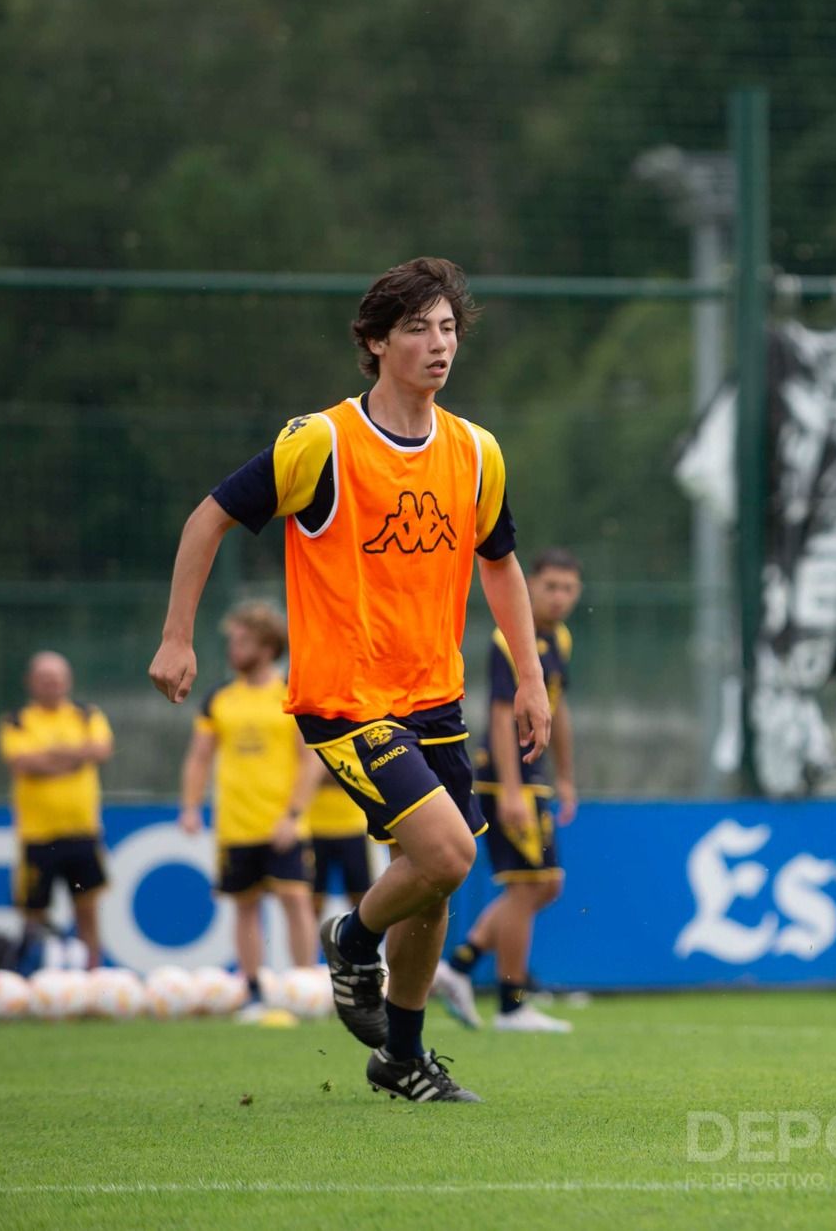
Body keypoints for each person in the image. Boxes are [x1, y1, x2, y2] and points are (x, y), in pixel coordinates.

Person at [149, 257, 550, 1104]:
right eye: (417, 329)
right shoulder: (322, 442)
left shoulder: (476, 451)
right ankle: (349, 938)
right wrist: (178, 637)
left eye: (447, 328)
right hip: (345, 698)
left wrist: (532, 679)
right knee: (449, 851)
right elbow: (209, 516)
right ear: (374, 343)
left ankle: (400, 1057)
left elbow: (503, 567)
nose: (439, 344)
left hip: (432, 694)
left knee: (434, 882)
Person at [433, 548, 584, 1033]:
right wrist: (514, 790)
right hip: (506, 776)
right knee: (528, 886)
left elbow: (556, 709)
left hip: (533, 777)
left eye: (568, 588)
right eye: (550, 587)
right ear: (530, 586)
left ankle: (458, 966)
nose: (559, 597)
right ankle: (512, 1005)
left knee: (546, 884)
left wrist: (565, 775)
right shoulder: (509, 640)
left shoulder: (559, 639)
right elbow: (501, 715)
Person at [180, 601, 323, 1023]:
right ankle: (255, 990)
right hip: (236, 826)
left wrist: (293, 815)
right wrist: (189, 807)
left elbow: (310, 759)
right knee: (244, 906)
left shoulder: (291, 693)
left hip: (283, 823)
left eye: (241, 640)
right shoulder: (219, 699)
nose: (233, 648)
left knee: (295, 899)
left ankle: (303, 988)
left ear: (266, 645)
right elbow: (199, 758)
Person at [0, 651, 113, 963]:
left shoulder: (87, 714)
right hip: (38, 836)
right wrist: (74, 757)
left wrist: (48, 757)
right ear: (30, 683)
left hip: (82, 832)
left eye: (57, 678)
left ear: (68, 681)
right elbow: (22, 762)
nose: (52, 684)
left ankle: (94, 980)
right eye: (45, 679)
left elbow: (100, 749)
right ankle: (27, 977)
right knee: (33, 914)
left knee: (87, 911)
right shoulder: (17, 720)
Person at [308, 746, 376, 921]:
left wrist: (314, 772)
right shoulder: (305, 730)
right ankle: (311, 947)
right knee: (312, 900)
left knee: (362, 899)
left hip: (352, 826)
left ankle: (360, 943)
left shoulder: (350, 729)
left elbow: (360, 773)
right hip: (312, 828)